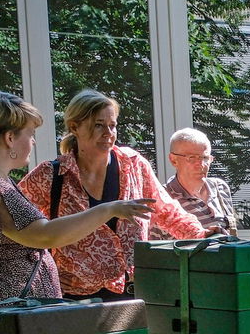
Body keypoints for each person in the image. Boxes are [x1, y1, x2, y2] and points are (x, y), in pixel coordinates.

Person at [0, 89, 150, 307]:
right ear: (10, 138)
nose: (33, 142)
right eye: (30, 135)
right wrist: (109, 209)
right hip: (15, 314)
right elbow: (45, 235)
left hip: (17, 312)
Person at [17, 89, 204, 300]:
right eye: (98, 125)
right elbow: (14, 229)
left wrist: (205, 236)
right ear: (74, 127)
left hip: (132, 296)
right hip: (73, 301)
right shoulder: (51, 175)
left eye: (112, 125)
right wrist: (46, 271)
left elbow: (167, 212)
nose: (108, 133)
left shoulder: (133, 165)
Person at [164, 128, 236, 236]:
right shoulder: (163, 198)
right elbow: (155, 247)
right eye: (192, 158)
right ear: (173, 160)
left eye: (205, 158)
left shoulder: (220, 188)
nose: (201, 164)